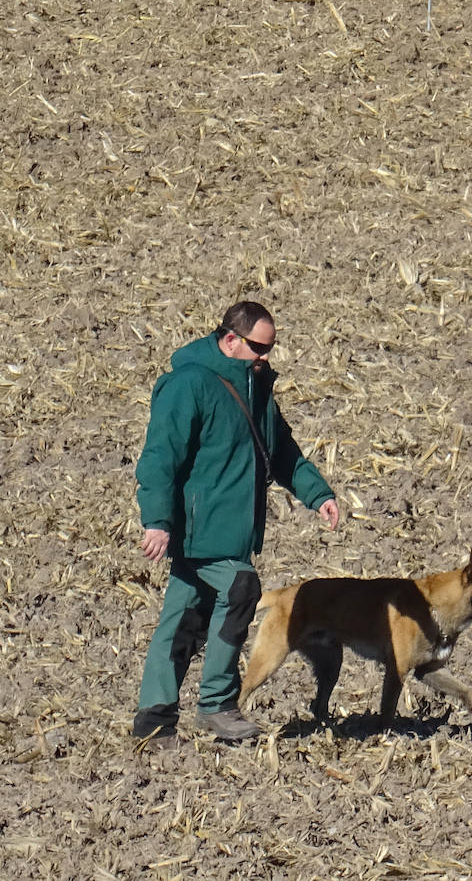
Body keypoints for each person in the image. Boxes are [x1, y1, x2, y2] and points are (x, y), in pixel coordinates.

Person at [132, 301, 340, 743]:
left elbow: (283, 453)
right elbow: (159, 457)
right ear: (230, 339)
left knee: (183, 617)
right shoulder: (188, 385)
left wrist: (318, 494)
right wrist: (157, 520)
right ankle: (218, 705)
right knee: (241, 587)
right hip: (198, 528)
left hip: (234, 531)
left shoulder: (257, 388)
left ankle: (154, 719)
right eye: (258, 347)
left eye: (271, 348)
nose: (266, 357)